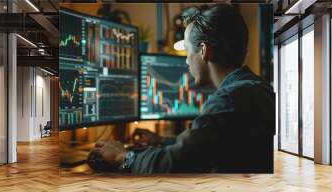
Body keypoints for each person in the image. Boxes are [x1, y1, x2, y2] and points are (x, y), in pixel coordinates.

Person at [88, 4, 275, 174]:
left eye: (187, 51)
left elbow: (176, 163)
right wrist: (163, 140)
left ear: (204, 51)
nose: (186, 61)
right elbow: (206, 145)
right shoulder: (257, 89)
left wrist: (122, 157)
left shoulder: (229, 100)